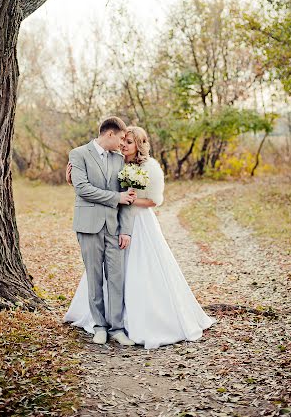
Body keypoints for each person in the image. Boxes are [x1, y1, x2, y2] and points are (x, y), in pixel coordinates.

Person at [64, 125, 216, 349]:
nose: (123, 144)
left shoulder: (149, 167)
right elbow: (96, 185)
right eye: (123, 140)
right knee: (106, 273)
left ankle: (135, 322)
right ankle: (103, 323)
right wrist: (73, 179)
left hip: (139, 223)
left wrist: (129, 200)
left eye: (129, 142)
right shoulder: (114, 160)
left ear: (139, 145)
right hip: (111, 222)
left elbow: (155, 200)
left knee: (136, 272)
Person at [67, 116, 137, 346]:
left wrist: (126, 230)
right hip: (88, 226)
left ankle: (117, 328)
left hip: (114, 228)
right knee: (94, 278)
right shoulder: (78, 154)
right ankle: (99, 326)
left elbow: (128, 198)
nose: (122, 143)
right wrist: (116, 197)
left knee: (116, 278)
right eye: (120, 138)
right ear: (109, 134)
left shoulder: (120, 161)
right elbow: (83, 189)